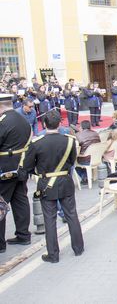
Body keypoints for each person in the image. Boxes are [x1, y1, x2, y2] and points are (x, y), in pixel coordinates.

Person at [23, 111, 84, 262]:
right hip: (64, 180)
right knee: (72, 215)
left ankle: (53, 254)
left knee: (49, 220)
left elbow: (28, 166)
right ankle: (78, 248)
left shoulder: (37, 143)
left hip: (46, 183)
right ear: (59, 124)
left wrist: (41, 171)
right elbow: (71, 161)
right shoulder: (69, 140)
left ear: (44, 124)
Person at [0, 94, 33, 252]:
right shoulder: (23, 120)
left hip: (4, 168)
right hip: (21, 165)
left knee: (1, 203)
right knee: (20, 200)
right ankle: (23, 234)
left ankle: (0, 243)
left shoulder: (3, 122)